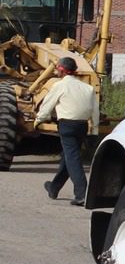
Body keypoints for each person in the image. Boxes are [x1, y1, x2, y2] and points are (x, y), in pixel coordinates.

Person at [38, 56, 97, 207]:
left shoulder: (60, 85)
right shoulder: (88, 88)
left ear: (62, 70)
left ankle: (82, 194)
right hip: (82, 126)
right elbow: (95, 110)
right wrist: (94, 129)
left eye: (57, 68)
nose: (56, 70)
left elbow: (47, 104)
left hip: (67, 126)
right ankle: (54, 187)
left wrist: (39, 120)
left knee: (73, 159)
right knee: (69, 156)